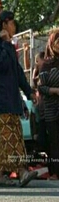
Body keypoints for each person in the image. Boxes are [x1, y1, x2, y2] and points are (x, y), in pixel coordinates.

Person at [0, 10, 38, 187]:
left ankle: (0, 175)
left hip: (13, 99)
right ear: (4, 25)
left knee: (10, 138)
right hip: (1, 100)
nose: (14, 26)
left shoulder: (9, 46)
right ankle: (22, 171)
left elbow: (17, 71)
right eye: (12, 23)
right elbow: (0, 64)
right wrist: (7, 44)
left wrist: (29, 92)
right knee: (11, 138)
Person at [38, 29, 59, 180]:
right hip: (51, 109)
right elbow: (40, 87)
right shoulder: (46, 64)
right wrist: (55, 90)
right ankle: (55, 172)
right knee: (54, 142)